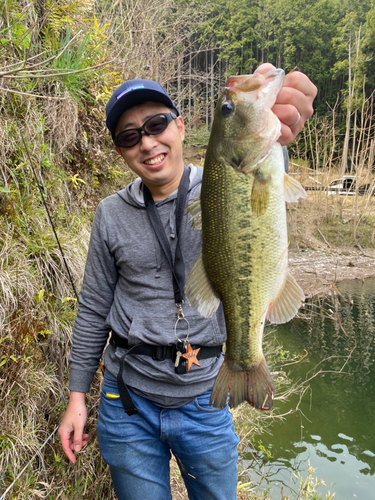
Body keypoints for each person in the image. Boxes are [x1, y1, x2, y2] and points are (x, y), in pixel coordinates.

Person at [58, 63, 317, 500]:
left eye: (157, 124)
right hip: (127, 403)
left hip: (206, 400)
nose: (147, 142)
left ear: (180, 126)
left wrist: (284, 120)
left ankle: (245, 361)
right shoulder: (110, 214)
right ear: (121, 150)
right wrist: (77, 396)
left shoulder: (215, 182)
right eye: (129, 136)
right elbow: (92, 310)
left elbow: (264, 171)